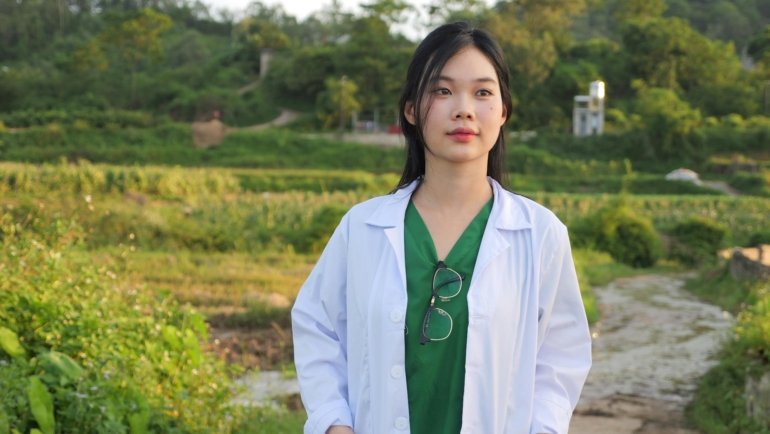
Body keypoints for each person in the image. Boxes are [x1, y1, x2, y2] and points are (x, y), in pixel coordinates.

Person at [291, 21, 592, 434]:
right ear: (412, 110)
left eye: (483, 92)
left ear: (503, 112)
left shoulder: (539, 234)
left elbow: (561, 358)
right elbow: (316, 325)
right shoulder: (362, 228)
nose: (464, 109)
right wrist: (333, 422)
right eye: (442, 90)